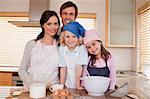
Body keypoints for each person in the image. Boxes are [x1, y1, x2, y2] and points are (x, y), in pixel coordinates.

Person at [18, 10, 60, 91]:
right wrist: (31, 83)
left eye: (55, 23)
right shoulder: (31, 44)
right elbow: (22, 70)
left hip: (53, 91)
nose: (53, 27)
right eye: (49, 24)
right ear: (43, 25)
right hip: (34, 90)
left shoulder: (60, 45)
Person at [83, 30, 116, 94]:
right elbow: (84, 75)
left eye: (93, 44)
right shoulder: (88, 59)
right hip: (90, 91)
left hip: (105, 91)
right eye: (88, 47)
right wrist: (83, 86)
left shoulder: (110, 58)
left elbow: (113, 75)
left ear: (100, 42)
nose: (92, 48)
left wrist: (111, 89)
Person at [59, 21, 88, 89]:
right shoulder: (62, 49)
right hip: (66, 83)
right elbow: (63, 68)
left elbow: (79, 68)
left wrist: (77, 86)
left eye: (74, 36)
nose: (70, 39)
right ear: (63, 37)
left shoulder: (82, 49)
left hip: (80, 83)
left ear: (79, 38)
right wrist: (61, 86)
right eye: (67, 36)